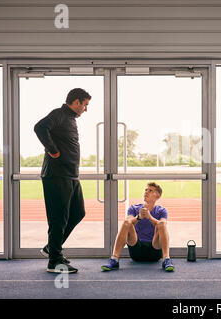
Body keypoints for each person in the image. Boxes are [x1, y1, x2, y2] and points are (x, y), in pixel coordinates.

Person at [34, 88, 91, 274]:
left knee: (78, 213)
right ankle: (55, 262)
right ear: (76, 102)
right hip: (56, 176)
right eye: (85, 104)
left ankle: (52, 248)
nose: (85, 109)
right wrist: (52, 150)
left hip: (71, 175)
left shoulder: (70, 119)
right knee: (59, 218)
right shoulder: (58, 114)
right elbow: (40, 127)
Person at [101, 182, 175, 272]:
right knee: (126, 222)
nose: (146, 192)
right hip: (136, 249)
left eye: (150, 191)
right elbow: (128, 222)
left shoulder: (162, 210)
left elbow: (163, 224)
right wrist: (139, 217)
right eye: (146, 190)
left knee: (161, 224)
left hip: (154, 250)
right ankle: (114, 259)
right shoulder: (134, 208)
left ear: (158, 196)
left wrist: (150, 217)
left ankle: (166, 259)